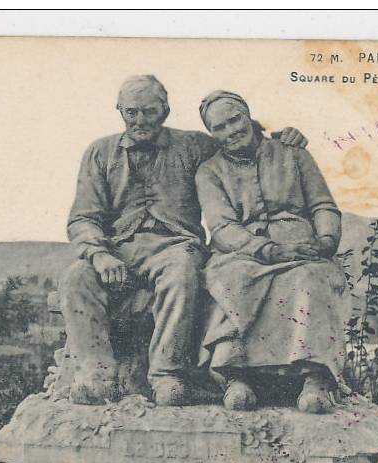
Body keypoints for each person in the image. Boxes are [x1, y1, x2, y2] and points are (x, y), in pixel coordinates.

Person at [61, 76, 308, 406]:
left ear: (165, 110)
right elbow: (82, 218)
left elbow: (237, 140)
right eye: (131, 112)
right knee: (76, 277)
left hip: (176, 245)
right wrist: (98, 254)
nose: (140, 121)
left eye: (149, 112)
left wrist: (281, 137)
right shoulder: (99, 153)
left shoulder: (194, 146)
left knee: (182, 271)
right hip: (118, 249)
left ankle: (167, 374)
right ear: (119, 110)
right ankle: (96, 374)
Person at [195, 90, 349, 414]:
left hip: (302, 244)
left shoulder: (292, 153)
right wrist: (266, 249)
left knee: (310, 277)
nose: (231, 130)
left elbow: (323, 204)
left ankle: (314, 377)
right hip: (242, 249)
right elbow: (222, 228)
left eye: (235, 119)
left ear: (248, 114)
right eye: (220, 127)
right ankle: (235, 376)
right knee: (232, 279)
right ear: (212, 134)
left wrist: (325, 240)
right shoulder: (209, 171)